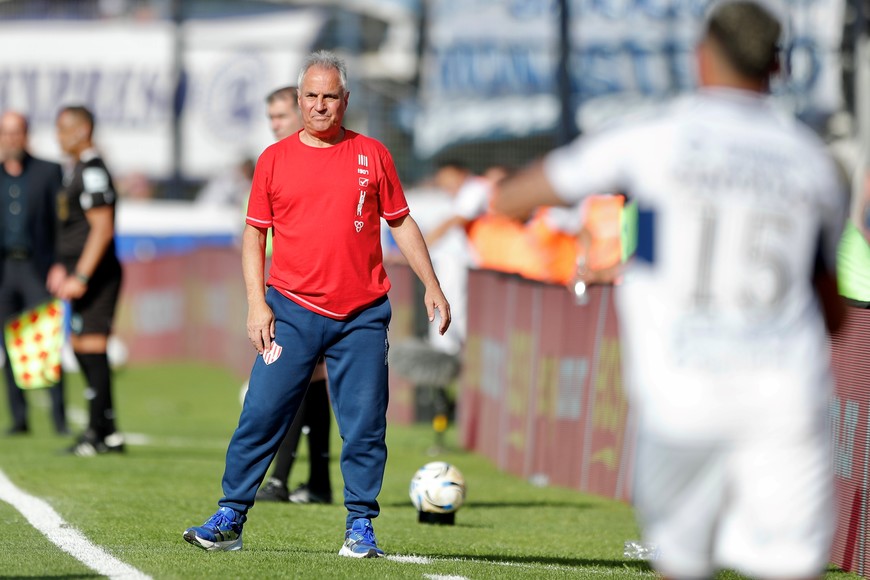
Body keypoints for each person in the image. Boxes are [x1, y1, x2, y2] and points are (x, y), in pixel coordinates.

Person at [493, 2, 848, 578]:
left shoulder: (651, 139)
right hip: (782, 394)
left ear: (700, 57)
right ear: (778, 67)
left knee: (682, 563)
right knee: (789, 566)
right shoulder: (814, 162)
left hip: (684, 390)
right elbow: (833, 314)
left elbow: (512, 198)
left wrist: (651, 230)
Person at [183, 50, 450, 557]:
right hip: (291, 311)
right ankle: (230, 517)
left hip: (362, 316)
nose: (320, 105)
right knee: (261, 414)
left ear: (345, 100)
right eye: (311, 96)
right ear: (299, 98)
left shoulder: (374, 154)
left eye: (330, 96)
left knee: (366, 424)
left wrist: (432, 285)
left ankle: (360, 526)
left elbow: (401, 222)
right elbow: (253, 235)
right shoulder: (274, 159)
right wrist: (256, 304)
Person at [254, 85, 335, 505]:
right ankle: (315, 479)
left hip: (316, 290)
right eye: (271, 118)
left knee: (298, 382)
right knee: (308, 383)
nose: (276, 125)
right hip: (286, 288)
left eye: (281, 116)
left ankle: (287, 479)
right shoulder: (276, 161)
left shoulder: (318, 157)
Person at [48, 105, 125, 456]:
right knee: (81, 347)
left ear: (82, 130)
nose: (59, 136)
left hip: (98, 276)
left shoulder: (93, 169)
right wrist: (63, 266)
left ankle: (98, 433)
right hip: (82, 272)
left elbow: (102, 227)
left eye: (64, 129)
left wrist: (81, 274)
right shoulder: (77, 169)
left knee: (92, 347)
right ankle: (106, 431)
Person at [0, 111, 68, 436]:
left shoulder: (48, 172)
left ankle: (59, 420)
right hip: (4, 271)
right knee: (9, 344)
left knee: (46, 344)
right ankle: (19, 419)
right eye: (6, 133)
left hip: (37, 268)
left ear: (26, 135)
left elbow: (62, 223)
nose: (12, 139)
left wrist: (60, 263)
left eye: (17, 132)